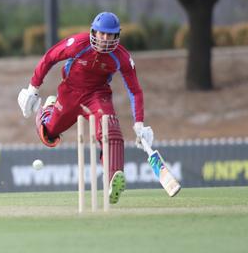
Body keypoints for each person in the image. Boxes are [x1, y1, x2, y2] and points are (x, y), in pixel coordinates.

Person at [17, 11, 154, 205]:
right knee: (49, 134)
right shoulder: (79, 44)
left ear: (117, 36)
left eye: (110, 35)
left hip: (97, 95)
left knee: (111, 130)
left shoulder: (121, 57)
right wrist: (33, 88)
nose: (105, 39)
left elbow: (135, 91)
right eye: (102, 34)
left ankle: (113, 177)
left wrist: (139, 124)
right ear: (94, 32)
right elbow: (49, 58)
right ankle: (48, 109)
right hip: (70, 93)